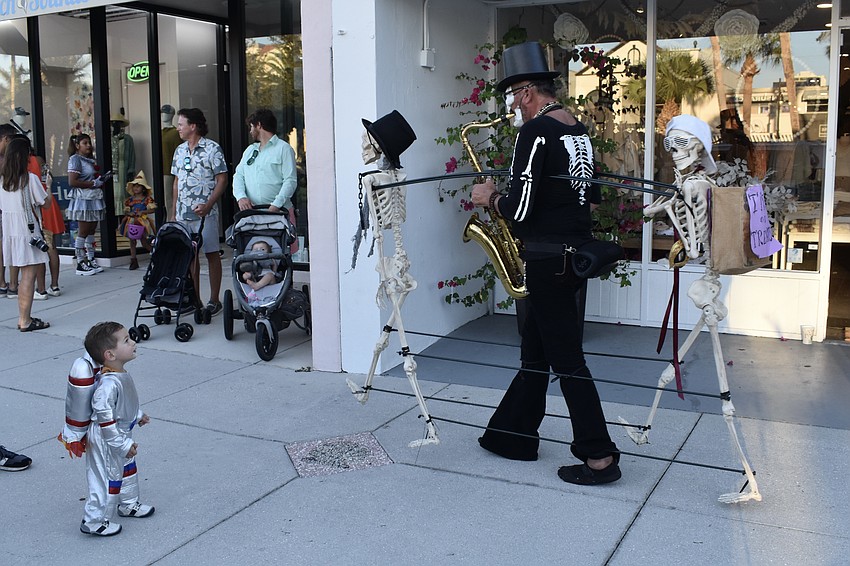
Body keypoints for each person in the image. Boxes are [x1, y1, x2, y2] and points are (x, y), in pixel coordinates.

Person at [470, 42, 621, 485]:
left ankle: (599, 457)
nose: (512, 106)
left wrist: (489, 197)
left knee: (568, 361)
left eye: (513, 96)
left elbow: (519, 211)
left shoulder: (534, 133)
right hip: (571, 259)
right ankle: (511, 435)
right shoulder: (577, 131)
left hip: (547, 261)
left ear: (527, 92)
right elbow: (586, 201)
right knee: (535, 351)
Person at [79, 321, 154, 537]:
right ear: (110, 355)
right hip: (108, 440)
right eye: (127, 340)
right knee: (106, 479)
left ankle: (128, 504)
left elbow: (124, 403)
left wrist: (137, 415)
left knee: (127, 471)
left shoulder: (120, 374)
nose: (133, 342)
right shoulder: (108, 384)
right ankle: (94, 520)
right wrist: (121, 444)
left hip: (122, 434)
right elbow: (105, 419)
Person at [169, 108, 228, 316]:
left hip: (206, 213)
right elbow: (176, 181)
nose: (178, 128)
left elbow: (222, 179)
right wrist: (173, 211)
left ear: (193, 126)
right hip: (183, 213)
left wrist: (209, 204)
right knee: (190, 256)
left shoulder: (213, 149)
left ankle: (214, 300)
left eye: (181, 124)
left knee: (211, 253)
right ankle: (196, 299)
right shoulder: (179, 151)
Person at [0, 137, 50, 332]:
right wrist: (50, 187)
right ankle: (25, 320)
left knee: (23, 276)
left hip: (11, 233)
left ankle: (24, 317)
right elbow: (45, 204)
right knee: (29, 277)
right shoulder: (30, 179)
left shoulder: (4, 182)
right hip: (28, 234)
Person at [232, 108, 299, 253]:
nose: (250, 131)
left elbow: (290, 181)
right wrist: (241, 197)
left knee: (280, 258)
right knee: (253, 256)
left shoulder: (283, 149)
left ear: (259, 125)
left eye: (251, 126)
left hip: (279, 214)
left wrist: (275, 206)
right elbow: (238, 176)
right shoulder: (250, 150)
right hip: (253, 216)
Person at [67, 133, 112, 276]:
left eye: (89, 143)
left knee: (92, 230)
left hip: (93, 197)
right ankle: (80, 262)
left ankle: (91, 258)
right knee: (83, 231)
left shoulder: (90, 160)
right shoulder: (75, 159)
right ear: (77, 145)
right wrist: (93, 183)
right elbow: (72, 181)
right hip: (83, 199)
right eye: (85, 143)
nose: (88, 145)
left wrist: (101, 180)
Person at [118, 170, 156, 270]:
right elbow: (126, 210)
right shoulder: (129, 200)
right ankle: (133, 260)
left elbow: (152, 209)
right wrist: (129, 213)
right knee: (132, 241)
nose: (136, 188)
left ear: (143, 189)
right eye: (134, 186)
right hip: (131, 222)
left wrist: (143, 212)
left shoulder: (147, 199)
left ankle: (155, 255)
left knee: (144, 241)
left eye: (138, 186)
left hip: (142, 222)